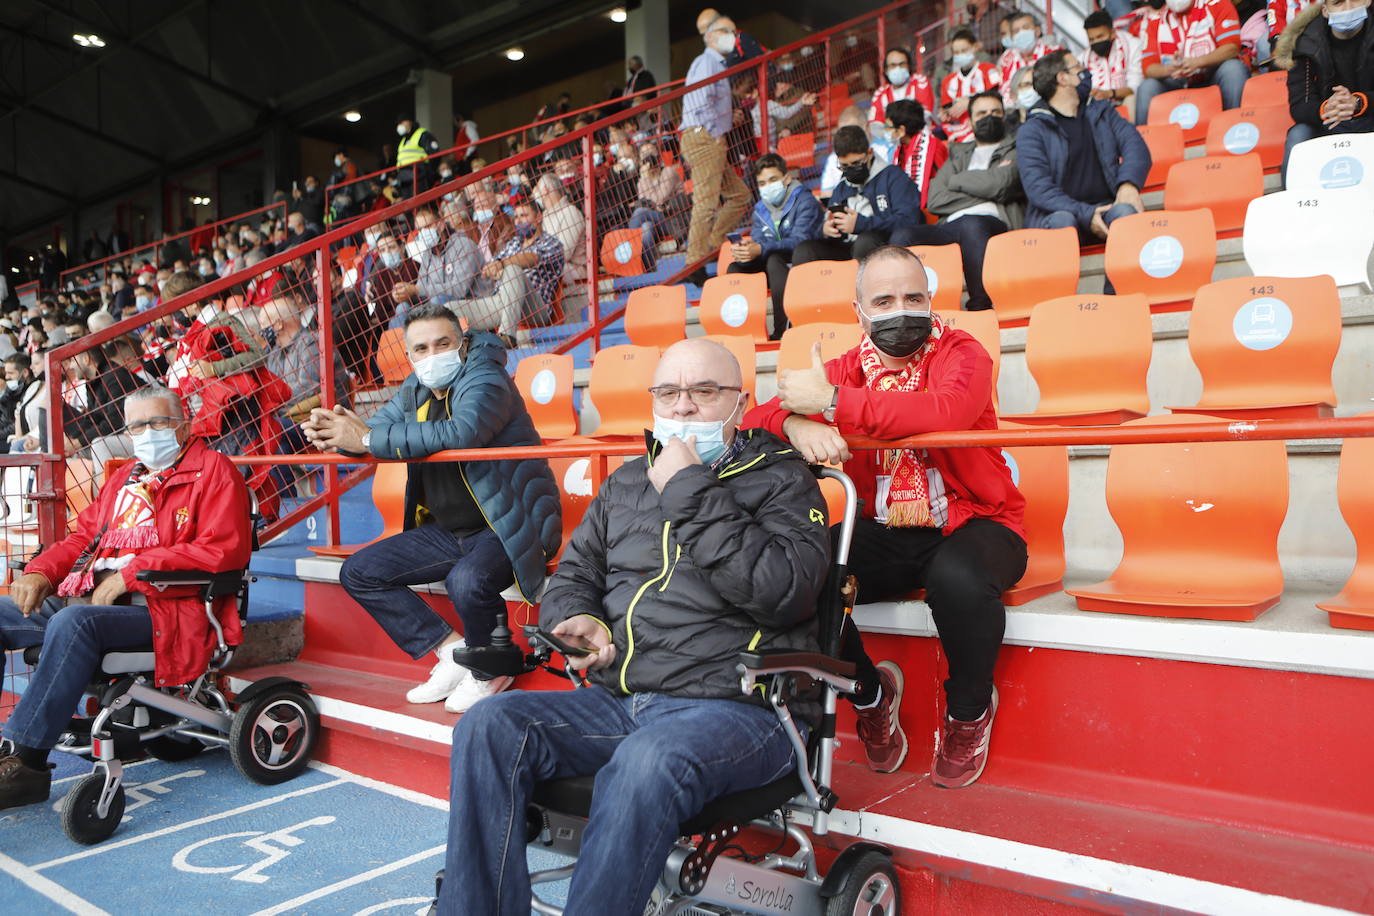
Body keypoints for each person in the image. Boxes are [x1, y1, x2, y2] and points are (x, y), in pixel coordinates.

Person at [439, 338, 830, 916]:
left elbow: (783, 593)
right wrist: (580, 619)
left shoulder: (783, 481)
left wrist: (687, 488)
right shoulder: (624, 484)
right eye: (669, 392)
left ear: (740, 405)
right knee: (489, 724)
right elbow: (572, 575)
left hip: (740, 709)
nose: (684, 407)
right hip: (623, 700)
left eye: (704, 392)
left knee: (648, 758)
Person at [746, 245, 1028, 782]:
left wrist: (831, 405)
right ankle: (872, 696)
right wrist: (794, 425)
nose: (901, 310)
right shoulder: (844, 369)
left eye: (913, 297)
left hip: (977, 521)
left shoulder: (963, 352)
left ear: (931, 300)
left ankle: (969, 710)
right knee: (804, 571)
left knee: (958, 579)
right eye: (884, 299)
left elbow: (945, 410)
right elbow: (761, 415)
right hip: (887, 529)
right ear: (860, 313)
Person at [0, 386, 252, 812]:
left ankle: (26, 764)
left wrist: (130, 575)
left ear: (184, 426)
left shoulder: (215, 471)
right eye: (138, 425)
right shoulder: (124, 478)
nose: (148, 432)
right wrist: (43, 570)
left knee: (73, 625)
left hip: (167, 610)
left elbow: (222, 551)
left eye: (159, 422)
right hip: (96, 601)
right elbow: (83, 538)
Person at [305, 305, 560, 713]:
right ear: (409, 356)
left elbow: (462, 431)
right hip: (450, 530)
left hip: (507, 523)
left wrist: (366, 438)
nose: (432, 354)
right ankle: (453, 652)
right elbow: (376, 431)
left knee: (467, 581)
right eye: (421, 348)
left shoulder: (486, 377)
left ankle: (491, 667)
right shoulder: (414, 389)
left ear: (461, 343)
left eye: (443, 343)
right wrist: (336, 432)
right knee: (360, 572)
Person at [1017, 51, 1151, 244]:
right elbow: (1039, 189)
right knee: (1063, 221)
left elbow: (1135, 146)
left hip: (1106, 208)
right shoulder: (1032, 129)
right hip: (1060, 214)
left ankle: (1119, 275)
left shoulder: (1101, 110)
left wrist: (1128, 185)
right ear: (1063, 78)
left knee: (1125, 212)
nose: (1085, 72)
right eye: (1078, 67)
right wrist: (1086, 213)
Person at [916, 91, 1023, 310]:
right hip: (951, 225)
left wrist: (956, 181)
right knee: (903, 235)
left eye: (995, 112)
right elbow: (935, 198)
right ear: (971, 120)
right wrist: (985, 186)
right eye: (982, 113)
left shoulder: (1016, 148)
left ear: (1004, 116)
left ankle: (980, 305)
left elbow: (1002, 183)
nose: (989, 117)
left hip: (994, 223)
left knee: (971, 224)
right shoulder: (959, 155)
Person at [680, 14, 753, 284]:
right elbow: (700, 101)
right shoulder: (707, 62)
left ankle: (711, 243)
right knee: (706, 203)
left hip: (708, 136)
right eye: (726, 31)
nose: (732, 37)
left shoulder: (716, 64)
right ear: (710, 36)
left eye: (734, 32)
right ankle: (694, 263)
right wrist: (713, 132)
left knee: (740, 195)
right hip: (704, 137)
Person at [792, 125, 925, 264]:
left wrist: (862, 224)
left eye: (856, 163)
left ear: (869, 153)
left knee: (865, 241)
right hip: (848, 247)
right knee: (805, 250)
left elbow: (910, 221)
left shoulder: (893, 176)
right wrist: (826, 229)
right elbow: (829, 223)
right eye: (844, 166)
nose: (850, 170)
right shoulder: (842, 186)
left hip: (884, 246)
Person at [727, 153, 825, 339]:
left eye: (773, 180)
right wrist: (747, 250)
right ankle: (745, 333)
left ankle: (782, 330)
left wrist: (762, 249)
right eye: (762, 183)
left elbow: (800, 240)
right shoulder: (760, 210)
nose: (768, 186)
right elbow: (759, 241)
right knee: (735, 267)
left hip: (802, 262)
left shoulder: (805, 201)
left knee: (774, 260)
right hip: (776, 262)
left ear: (787, 178)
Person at [1277, 0, 1374, 181]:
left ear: (1368, 2)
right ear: (1325, 10)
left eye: (1355, 1)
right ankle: (1292, 202)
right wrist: (1327, 108)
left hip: (1370, 114)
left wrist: (1358, 102)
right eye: (1338, 3)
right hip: (1328, 121)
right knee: (1299, 134)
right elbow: (1299, 104)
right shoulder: (1304, 43)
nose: (1347, 9)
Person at [1135, 0, 1251, 123]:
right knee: (1148, 86)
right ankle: (1142, 140)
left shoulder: (1218, 4)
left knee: (1233, 69)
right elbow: (1148, 68)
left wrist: (1197, 62)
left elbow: (1232, 47)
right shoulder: (1156, 21)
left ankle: (1233, 126)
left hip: (1212, 75)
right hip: (1177, 80)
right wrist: (1170, 68)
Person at [626, 143, 687, 270]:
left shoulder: (668, 172)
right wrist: (645, 180)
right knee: (646, 228)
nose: (648, 157)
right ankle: (649, 268)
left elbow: (659, 199)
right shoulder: (642, 181)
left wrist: (647, 179)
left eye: (651, 152)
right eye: (644, 154)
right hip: (655, 220)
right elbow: (646, 202)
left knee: (640, 212)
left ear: (657, 155)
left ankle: (628, 250)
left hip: (672, 219)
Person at [886, 99, 950, 209]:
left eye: (889, 127)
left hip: (934, 207)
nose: (886, 130)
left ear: (901, 130)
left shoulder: (934, 146)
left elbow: (946, 180)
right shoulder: (899, 149)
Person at [941, 29, 1004, 142]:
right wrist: (945, 114)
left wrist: (970, 101)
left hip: (988, 128)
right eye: (956, 52)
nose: (960, 55)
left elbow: (996, 96)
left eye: (964, 50)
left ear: (974, 47)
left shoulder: (989, 70)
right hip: (960, 134)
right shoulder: (948, 81)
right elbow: (946, 108)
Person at [1084, 10, 1146, 121]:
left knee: (1131, 99)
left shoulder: (1133, 45)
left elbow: (1135, 87)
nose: (1096, 42)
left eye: (1100, 37)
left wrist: (1109, 94)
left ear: (1112, 33)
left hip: (1125, 101)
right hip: (1098, 106)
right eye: (1092, 39)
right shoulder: (1085, 57)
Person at [869, 46, 937, 145]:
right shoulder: (880, 93)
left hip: (922, 138)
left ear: (909, 66)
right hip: (892, 143)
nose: (897, 68)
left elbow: (924, 116)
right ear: (886, 69)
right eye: (893, 65)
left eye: (902, 64)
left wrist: (896, 130)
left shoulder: (921, 82)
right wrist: (890, 135)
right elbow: (875, 126)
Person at [998, 11, 1061, 104]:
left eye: (1025, 28)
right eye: (1016, 31)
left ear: (1037, 31)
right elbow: (1004, 88)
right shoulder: (1007, 58)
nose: (1021, 33)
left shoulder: (1056, 53)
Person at [395, 114, 443, 196]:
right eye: (398, 124)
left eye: (402, 122)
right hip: (405, 179)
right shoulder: (403, 141)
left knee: (421, 206)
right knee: (409, 207)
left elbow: (435, 154)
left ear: (410, 122)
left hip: (419, 176)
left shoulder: (422, 134)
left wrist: (429, 174)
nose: (400, 126)